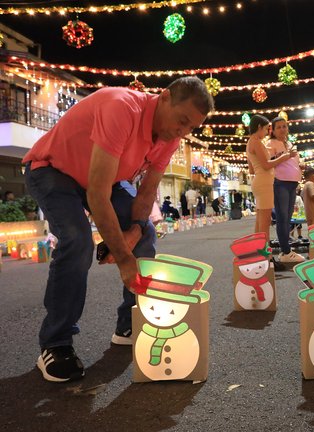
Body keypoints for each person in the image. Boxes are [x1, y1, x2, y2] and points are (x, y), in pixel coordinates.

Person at [22, 76, 213, 382]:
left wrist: (135, 229)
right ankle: (56, 343)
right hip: (51, 170)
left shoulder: (170, 138)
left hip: (99, 181)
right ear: (163, 97)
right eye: (181, 120)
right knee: (77, 239)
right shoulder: (121, 108)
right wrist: (124, 258)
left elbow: (147, 190)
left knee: (147, 234)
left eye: (191, 128)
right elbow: (97, 193)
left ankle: (130, 323)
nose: (182, 132)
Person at [246, 114, 294, 268]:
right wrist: (286, 157)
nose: (268, 132)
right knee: (264, 224)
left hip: (260, 181)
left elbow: (252, 168)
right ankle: (266, 259)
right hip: (264, 182)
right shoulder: (257, 142)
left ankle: (259, 256)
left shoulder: (250, 142)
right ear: (259, 127)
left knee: (260, 222)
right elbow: (267, 165)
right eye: (267, 129)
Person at [268, 116, 305, 263]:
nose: (282, 129)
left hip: (292, 182)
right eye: (279, 127)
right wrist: (285, 155)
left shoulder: (289, 143)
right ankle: (285, 250)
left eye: (284, 126)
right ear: (273, 130)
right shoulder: (271, 143)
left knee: (288, 217)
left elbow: (292, 161)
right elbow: (269, 161)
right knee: (282, 217)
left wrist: (300, 165)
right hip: (280, 182)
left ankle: (286, 250)